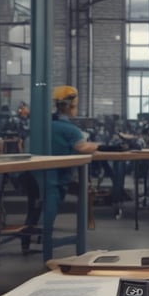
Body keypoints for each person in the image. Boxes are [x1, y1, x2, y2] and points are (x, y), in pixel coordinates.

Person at [19, 85, 100, 250]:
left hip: (32, 175)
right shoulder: (71, 130)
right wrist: (100, 146)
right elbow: (82, 147)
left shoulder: (42, 126)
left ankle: (26, 241)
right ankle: (46, 245)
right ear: (71, 105)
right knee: (49, 211)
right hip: (54, 179)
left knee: (34, 208)